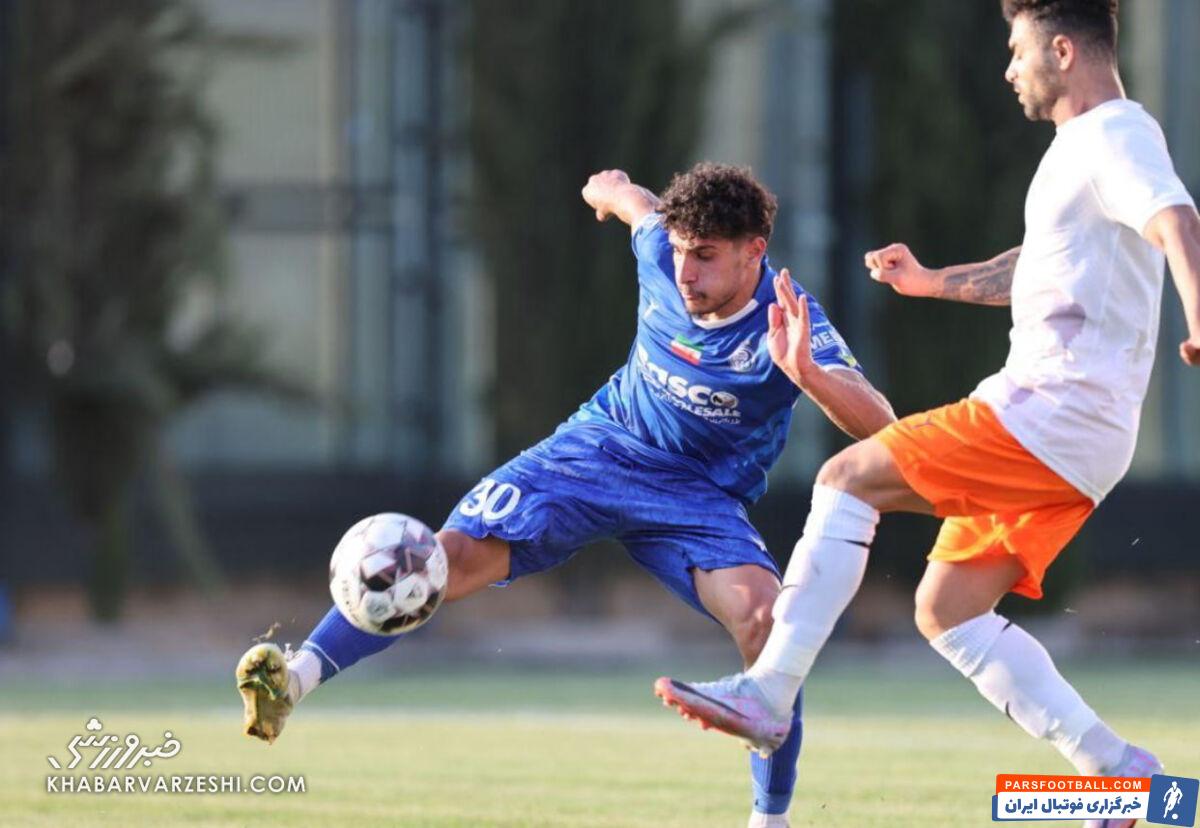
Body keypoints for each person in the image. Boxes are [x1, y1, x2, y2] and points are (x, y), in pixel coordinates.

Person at [655, 4, 1200, 827]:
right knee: (947, 610)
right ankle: (1124, 782)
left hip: (1052, 410)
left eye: (1018, 50)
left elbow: (1177, 220)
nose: (1010, 69)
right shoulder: (1080, 150)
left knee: (847, 477)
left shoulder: (1115, 134)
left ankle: (769, 692)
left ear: (1062, 50)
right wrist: (932, 281)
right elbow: (1044, 267)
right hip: (1079, 431)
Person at [236, 162, 896, 828]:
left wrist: (808, 374)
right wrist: (607, 191)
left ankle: (770, 820)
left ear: (754, 250)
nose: (685, 272)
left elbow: (882, 423)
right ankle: (297, 678)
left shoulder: (790, 317)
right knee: (437, 562)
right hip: (597, 449)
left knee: (765, 623)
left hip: (697, 496)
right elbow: (636, 204)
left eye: (705, 255)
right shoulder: (661, 250)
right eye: (679, 252)